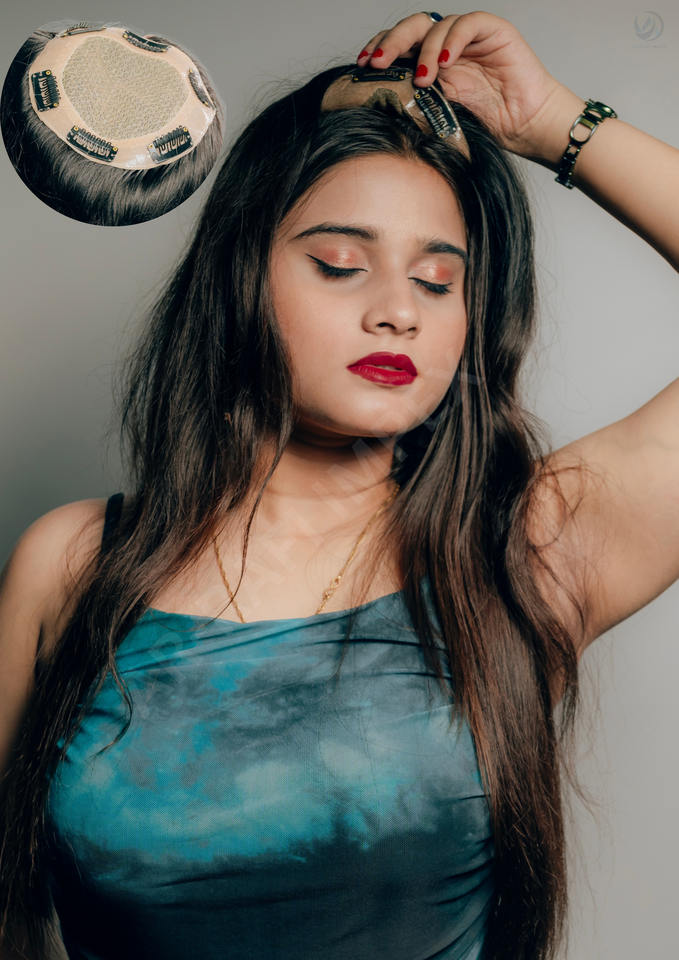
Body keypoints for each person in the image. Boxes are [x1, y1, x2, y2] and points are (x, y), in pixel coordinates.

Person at [1, 9, 677, 960]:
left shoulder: (528, 551)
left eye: (437, 282)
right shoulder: (74, 565)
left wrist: (553, 123)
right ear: (240, 277)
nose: (398, 310)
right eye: (340, 265)